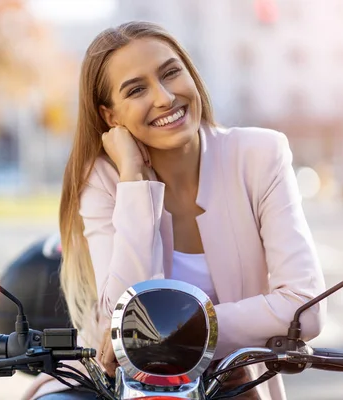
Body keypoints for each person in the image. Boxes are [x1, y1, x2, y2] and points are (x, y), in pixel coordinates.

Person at [23, 21, 326, 400]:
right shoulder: (102, 179)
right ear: (110, 116)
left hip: (233, 384)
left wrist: (179, 332)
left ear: (191, 75)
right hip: (122, 388)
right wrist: (134, 182)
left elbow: (305, 309)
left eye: (171, 73)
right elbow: (121, 324)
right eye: (136, 89)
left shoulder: (261, 155)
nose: (165, 97)